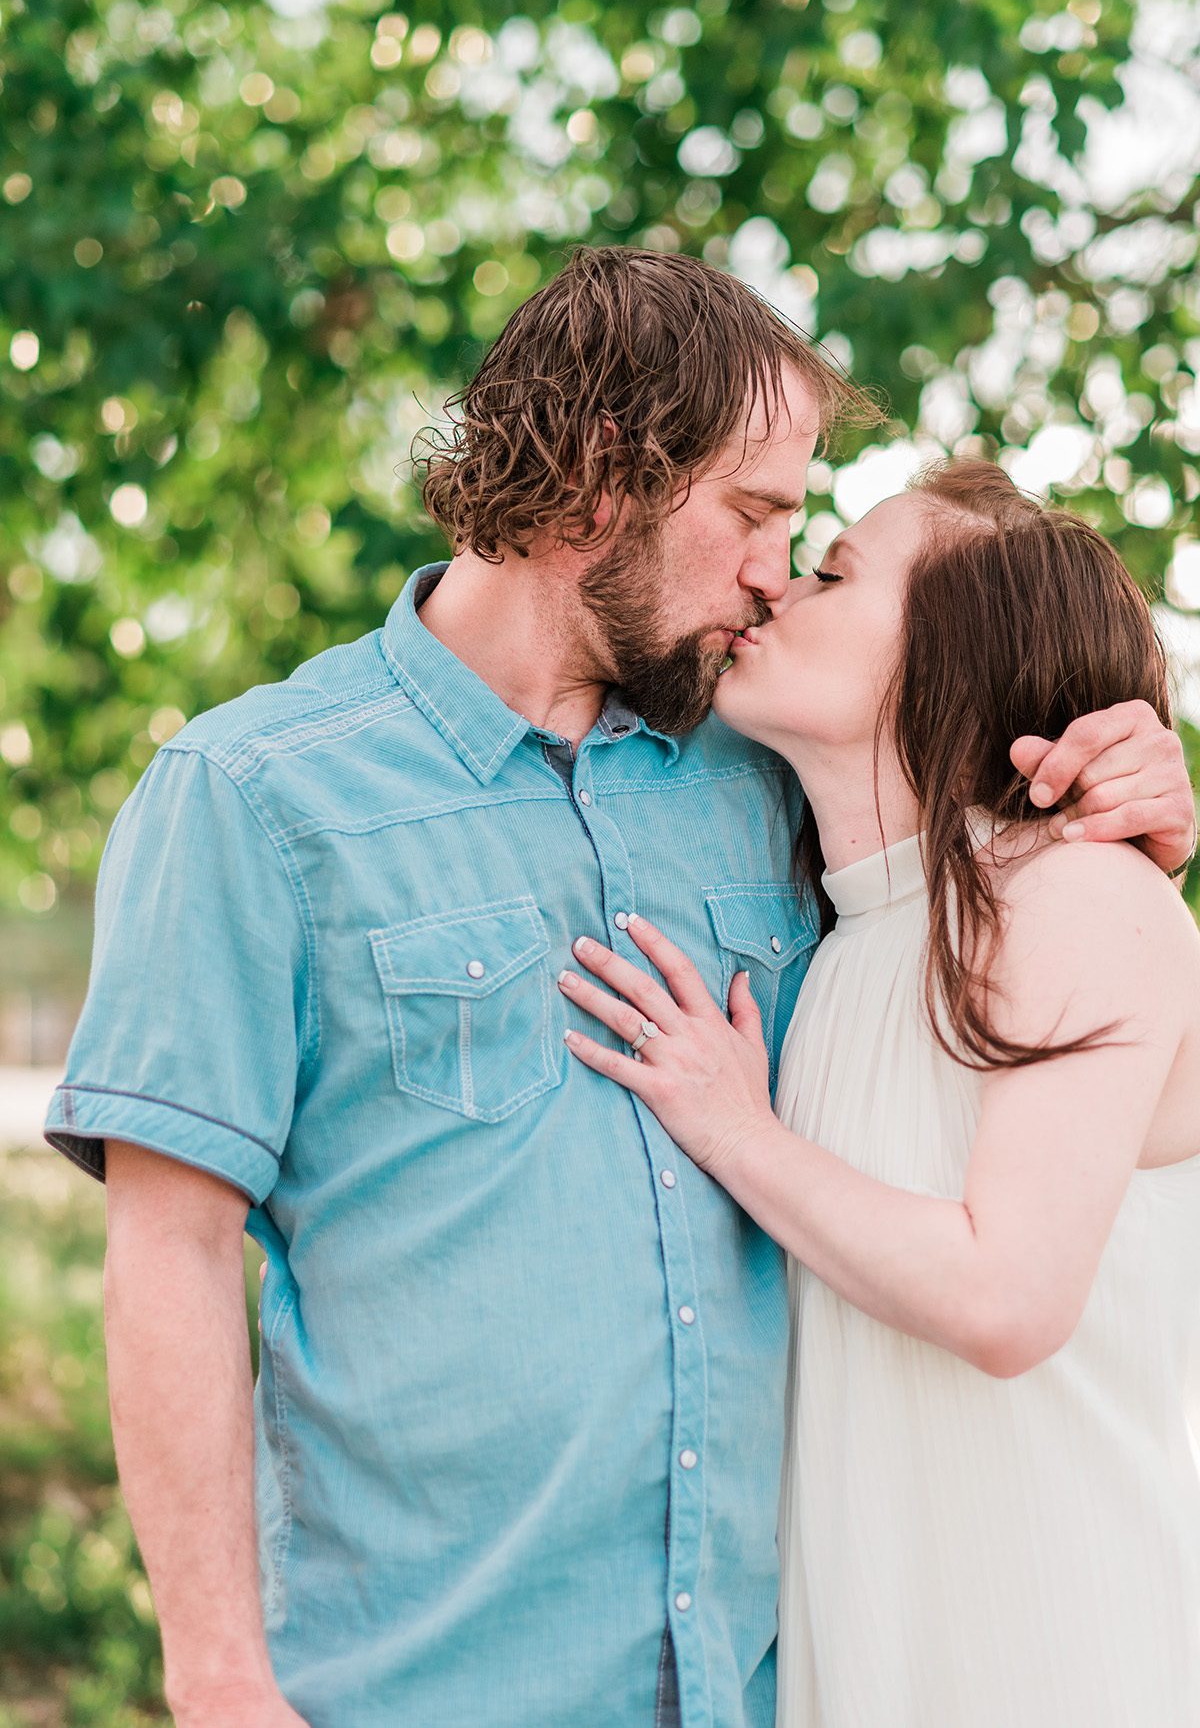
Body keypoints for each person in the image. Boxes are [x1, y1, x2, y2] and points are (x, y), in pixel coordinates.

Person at [44, 250, 1195, 1728]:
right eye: (758, 513)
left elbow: (955, 846)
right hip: (419, 1687)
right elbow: (172, 1251)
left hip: (762, 1687)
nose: (778, 569)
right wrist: (217, 1678)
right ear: (607, 477)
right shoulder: (257, 795)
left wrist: (1126, 786)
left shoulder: (762, 777)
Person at [557, 458, 1200, 1728]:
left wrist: (735, 1130)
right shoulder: (845, 942)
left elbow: (1005, 1295)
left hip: (1072, 1675)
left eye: (835, 572)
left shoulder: (1075, 892)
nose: (779, 587)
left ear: (953, 654)